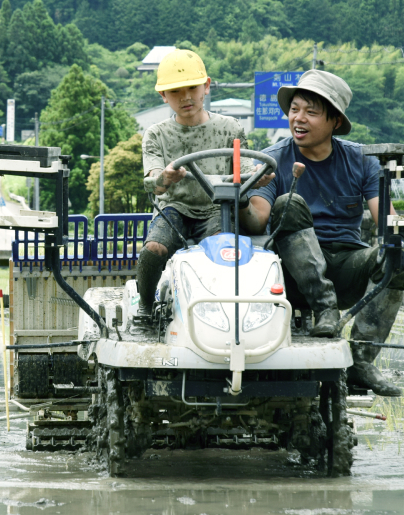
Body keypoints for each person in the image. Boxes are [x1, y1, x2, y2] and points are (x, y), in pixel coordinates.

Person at [239, 69, 402, 396]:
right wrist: (242, 196)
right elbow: (258, 220)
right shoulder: (272, 161)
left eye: (311, 112)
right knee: (288, 201)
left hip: (345, 267)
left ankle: (360, 358)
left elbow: (386, 219)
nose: (298, 118)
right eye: (295, 109)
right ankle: (323, 309)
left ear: (335, 122)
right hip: (290, 278)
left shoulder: (361, 160)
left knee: (398, 251)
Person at [136, 49, 273, 324]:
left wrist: (257, 175)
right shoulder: (156, 134)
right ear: (163, 96)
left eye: (192, 88)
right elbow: (154, 182)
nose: (186, 97)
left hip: (216, 209)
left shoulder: (229, 128)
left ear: (206, 86)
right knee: (154, 248)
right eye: (175, 91)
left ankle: (223, 313)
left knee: (223, 249)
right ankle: (145, 304)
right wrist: (164, 178)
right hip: (174, 208)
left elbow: (244, 170)